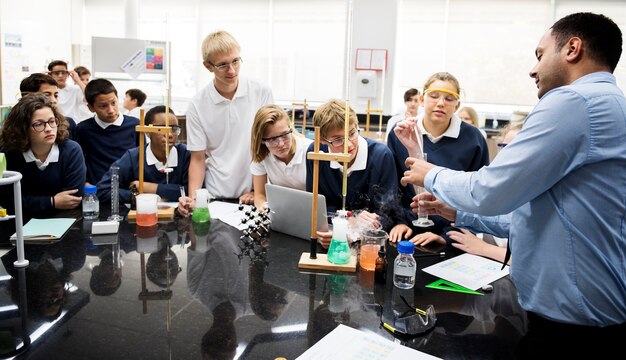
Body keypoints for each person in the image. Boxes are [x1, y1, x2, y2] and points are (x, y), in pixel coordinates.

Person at [401, 12, 626, 354]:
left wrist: (429, 173)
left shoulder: (574, 102)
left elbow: (490, 190)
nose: (533, 70)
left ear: (573, 49)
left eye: (540, 55)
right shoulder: (608, 105)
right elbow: (537, 216)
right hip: (583, 313)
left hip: (573, 325)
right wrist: (458, 212)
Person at [387, 72, 489, 244]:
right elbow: (391, 185)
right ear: (421, 99)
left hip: (451, 236)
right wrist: (398, 222)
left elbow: (477, 195)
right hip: (404, 232)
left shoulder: (474, 140)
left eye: (449, 99)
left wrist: (446, 236)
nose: (441, 103)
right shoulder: (401, 133)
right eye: (434, 96)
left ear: (457, 106)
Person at [179, 30, 273, 216]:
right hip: (217, 196)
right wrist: (193, 199)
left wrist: (259, 192)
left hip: (254, 195)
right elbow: (197, 158)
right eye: (222, 65)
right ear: (208, 66)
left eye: (235, 61)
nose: (232, 70)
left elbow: (269, 147)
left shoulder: (261, 92)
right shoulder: (198, 105)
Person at [305, 99, 399, 247]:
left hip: (368, 243)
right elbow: (317, 205)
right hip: (331, 234)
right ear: (322, 140)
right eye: (337, 139)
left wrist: (353, 230)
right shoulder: (316, 153)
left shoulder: (381, 156)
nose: (348, 145)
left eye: (352, 133)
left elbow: (389, 213)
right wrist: (346, 222)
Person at [0, 94, 85, 218]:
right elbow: (8, 201)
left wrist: (31, 202)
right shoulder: (9, 153)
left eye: (52, 121)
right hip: (19, 223)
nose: (49, 129)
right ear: (22, 128)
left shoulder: (71, 150)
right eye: (39, 124)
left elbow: (73, 199)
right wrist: (52, 201)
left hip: (65, 220)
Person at [96, 105, 190, 203]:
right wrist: (140, 197)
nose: (170, 134)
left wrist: (147, 187)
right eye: (162, 129)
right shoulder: (133, 157)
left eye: (174, 129)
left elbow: (190, 190)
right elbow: (102, 190)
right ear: (147, 132)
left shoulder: (184, 154)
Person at [73, 79, 140, 185]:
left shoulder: (135, 125)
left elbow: (141, 159)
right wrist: (85, 182)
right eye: (103, 106)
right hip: (96, 190)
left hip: (128, 188)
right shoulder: (83, 129)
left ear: (117, 99)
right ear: (91, 108)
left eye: (113, 103)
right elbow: (77, 162)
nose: (111, 110)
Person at [250, 104, 312, 210]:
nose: (281, 144)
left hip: (310, 211)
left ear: (290, 128)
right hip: (282, 211)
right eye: (272, 139)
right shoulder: (262, 156)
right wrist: (264, 208)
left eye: (284, 135)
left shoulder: (309, 151)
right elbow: (259, 195)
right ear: (261, 140)